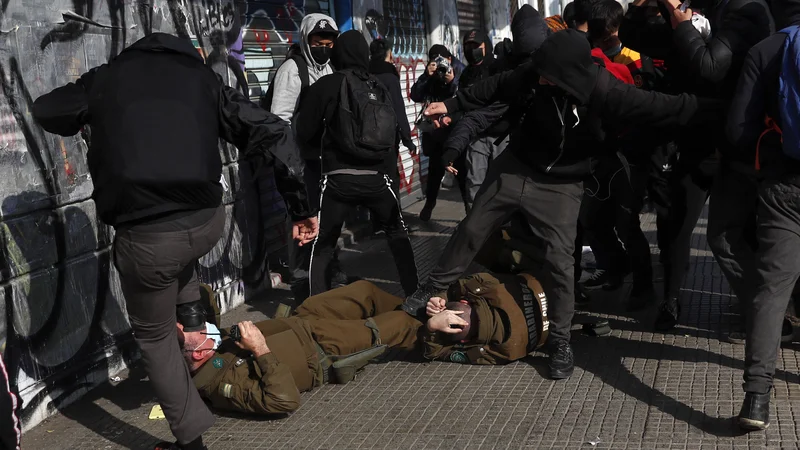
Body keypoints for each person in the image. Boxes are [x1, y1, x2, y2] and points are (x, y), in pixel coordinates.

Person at [31, 33, 318, 450]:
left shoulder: (106, 80)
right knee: (179, 258)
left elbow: (46, 109)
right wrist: (299, 206)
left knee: (154, 337)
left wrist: (91, 99)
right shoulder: (202, 79)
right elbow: (273, 131)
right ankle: (196, 327)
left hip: (148, 238)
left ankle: (191, 442)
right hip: (206, 223)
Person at [403, 29, 721, 381]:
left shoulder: (607, 92)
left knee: (560, 260)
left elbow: (668, 107)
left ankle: (559, 341)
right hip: (517, 165)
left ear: (569, 75)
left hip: (564, 183)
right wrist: (450, 104)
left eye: (548, 75)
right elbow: (494, 86)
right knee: (473, 227)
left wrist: (728, 110)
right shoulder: (533, 73)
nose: (539, 78)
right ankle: (430, 289)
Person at [186, 272, 550, 415]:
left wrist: (433, 300)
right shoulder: (221, 385)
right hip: (322, 348)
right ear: (199, 355)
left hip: (304, 320)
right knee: (396, 325)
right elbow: (283, 400)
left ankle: (430, 314)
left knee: (363, 292)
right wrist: (260, 350)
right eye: (191, 335)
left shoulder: (215, 350)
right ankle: (434, 331)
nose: (193, 329)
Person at [296, 30, 419, 297]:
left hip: (338, 180)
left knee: (325, 242)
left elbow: (303, 132)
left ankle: (318, 307)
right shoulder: (379, 86)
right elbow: (393, 130)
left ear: (337, 54)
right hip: (377, 178)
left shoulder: (325, 85)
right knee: (397, 233)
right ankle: (414, 294)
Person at [725, 0, 800, 430]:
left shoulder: (765, 50)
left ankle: (756, 398)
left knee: (772, 291)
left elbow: (738, 130)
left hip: (783, 187)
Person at [266, 13, 344, 303]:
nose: (323, 48)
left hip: (326, 161)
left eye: (328, 43)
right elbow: (279, 121)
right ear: (306, 40)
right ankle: (301, 286)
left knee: (327, 220)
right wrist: (292, 164)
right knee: (302, 224)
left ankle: (328, 274)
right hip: (302, 163)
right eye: (317, 42)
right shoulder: (292, 69)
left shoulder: (328, 68)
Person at [447, 29, 508, 207]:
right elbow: (463, 102)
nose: (471, 50)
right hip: (477, 136)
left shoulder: (498, 67)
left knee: (502, 183)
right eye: (468, 46)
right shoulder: (466, 74)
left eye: (475, 46)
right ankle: (475, 225)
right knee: (475, 182)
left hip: (501, 134)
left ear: (485, 46)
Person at [410, 44, 467, 221]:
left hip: (456, 132)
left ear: (449, 59)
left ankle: (469, 208)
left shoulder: (460, 71)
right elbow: (415, 95)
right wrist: (427, 75)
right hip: (435, 134)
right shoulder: (431, 76)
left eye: (442, 60)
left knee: (462, 173)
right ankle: (429, 205)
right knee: (434, 174)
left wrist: (452, 81)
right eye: (435, 61)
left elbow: (464, 96)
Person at [369, 37, 418, 191]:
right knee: (390, 179)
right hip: (387, 139)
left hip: (365, 138)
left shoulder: (364, 74)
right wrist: (407, 139)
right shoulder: (390, 78)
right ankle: (393, 213)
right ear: (389, 54)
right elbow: (398, 109)